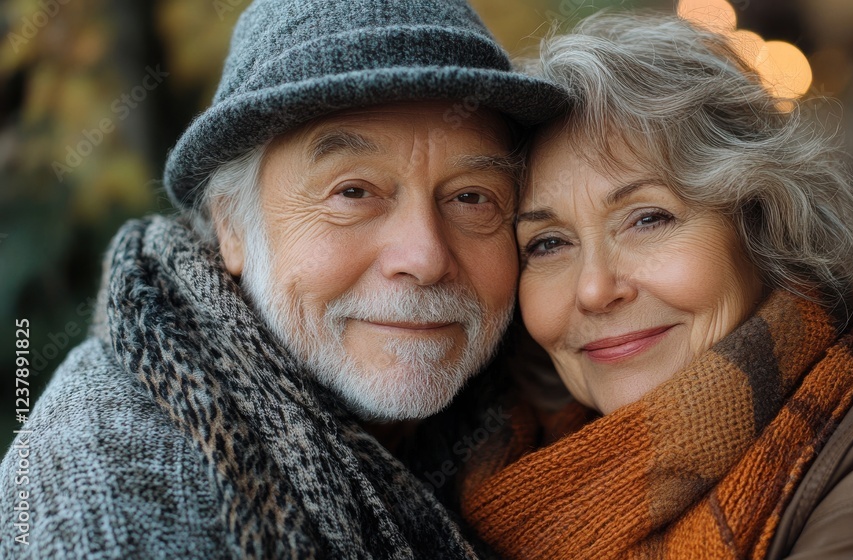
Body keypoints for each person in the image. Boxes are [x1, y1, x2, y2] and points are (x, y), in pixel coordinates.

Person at [0, 0, 566, 557]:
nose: (425, 257)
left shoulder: (547, 403)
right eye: (353, 192)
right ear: (231, 228)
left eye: (471, 197)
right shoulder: (105, 501)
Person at [458, 13, 853, 559]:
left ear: (759, 221)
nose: (595, 290)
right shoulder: (491, 461)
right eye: (548, 244)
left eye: (649, 219)